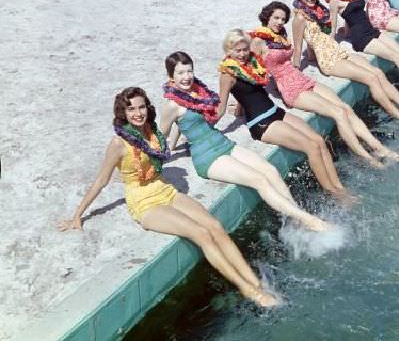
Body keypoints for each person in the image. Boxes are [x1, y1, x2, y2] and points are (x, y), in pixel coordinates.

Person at [58, 87, 279, 307]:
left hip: (165, 189)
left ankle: (253, 279)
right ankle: (249, 290)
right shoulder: (119, 143)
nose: (137, 113)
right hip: (145, 203)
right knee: (201, 233)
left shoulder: (152, 131)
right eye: (131, 109)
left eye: (141, 107)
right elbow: (101, 180)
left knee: (214, 225)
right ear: (122, 113)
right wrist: (78, 215)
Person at [160, 51, 330, 232]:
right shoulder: (171, 105)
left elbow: (184, 122)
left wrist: (173, 144)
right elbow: (162, 132)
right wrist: (162, 155)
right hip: (208, 156)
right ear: (171, 76)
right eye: (180, 73)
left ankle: (296, 217)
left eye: (189, 71)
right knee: (259, 180)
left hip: (223, 143)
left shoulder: (197, 92)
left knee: (270, 170)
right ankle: (310, 221)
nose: (186, 77)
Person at [252, 1, 399, 168]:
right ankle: (367, 157)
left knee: (345, 108)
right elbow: (249, 72)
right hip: (291, 89)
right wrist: (240, 105)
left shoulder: (280, 34)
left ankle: (379, 148)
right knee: (338, 113)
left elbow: (295, 56)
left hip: (302, 79)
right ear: (267, 16)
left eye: (282, 19)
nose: (280, 22)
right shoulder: (258, 40)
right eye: (276, 18)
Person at [217, 29, 359, 199]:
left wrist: (240, 110)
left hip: (275, 111)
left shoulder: (252, 63)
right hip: (261, 123)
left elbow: (248, 90)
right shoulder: (228, 74)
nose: (242, 54)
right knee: (311, 147)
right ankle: (335, 194)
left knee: (319, 141)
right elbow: (220, 108)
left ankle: (339, 187)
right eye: (236, 50)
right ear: (228, 51)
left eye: (244, 49)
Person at [292, 0, 399, 124]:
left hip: (338, 51)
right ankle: (398, 114)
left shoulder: (317, 11)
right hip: (330, 61)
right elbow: (298, 47)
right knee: (371, 79)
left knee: (378, 73)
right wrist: (295, 74)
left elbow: (316, 39)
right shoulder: (299, 18)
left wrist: (312, 55)